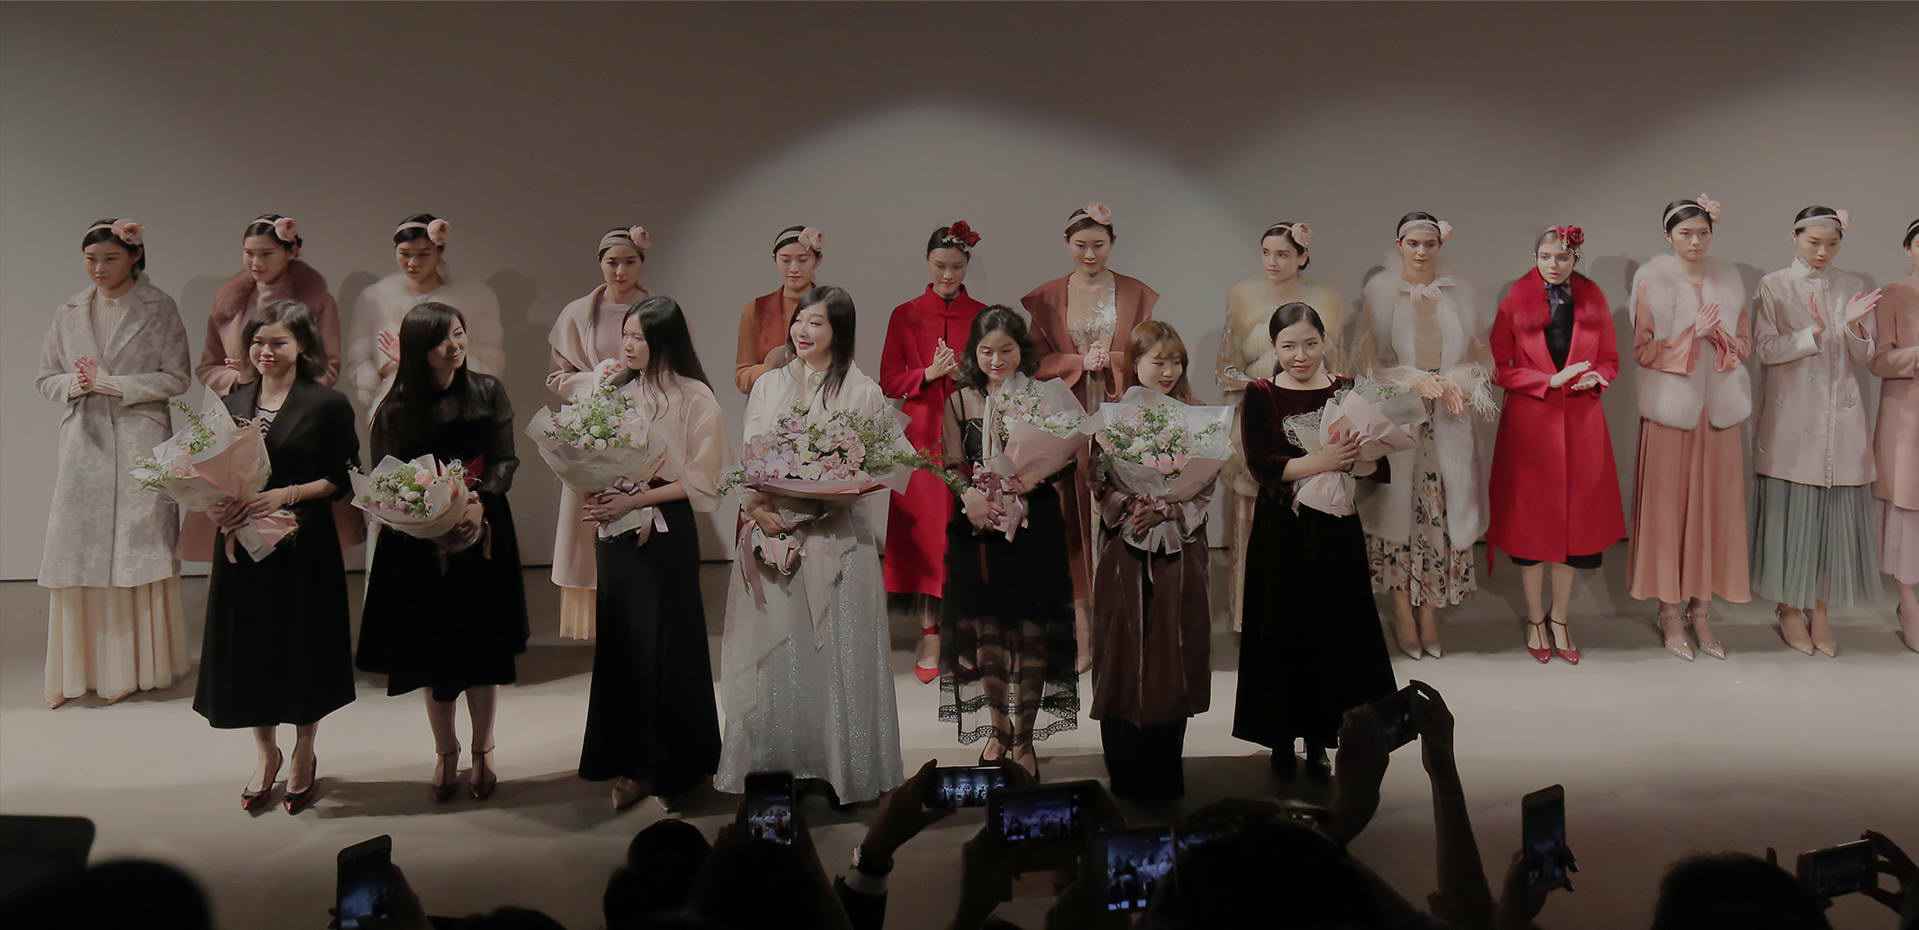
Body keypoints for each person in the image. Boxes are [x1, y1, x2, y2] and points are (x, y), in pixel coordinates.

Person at [716, 285, 905, 806]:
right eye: (800, 320)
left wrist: (841, 483)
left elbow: (891, 461)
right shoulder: (768, 385)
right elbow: (752, 454)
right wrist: (758, 510)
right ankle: (783, 766)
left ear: (839, 331)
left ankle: (845, 769)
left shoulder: (863, 391)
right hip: (778, 532)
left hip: (840, 538)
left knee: (840, 651)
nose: (803, 331)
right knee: (782, 654)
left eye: (816, 323)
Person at [191, 300, 359, 814]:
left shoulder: (327, 404)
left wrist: (286, 494)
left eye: (278, 342)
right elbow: (209, 468)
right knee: (249, 649)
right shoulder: (232, 399)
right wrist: (216, 504)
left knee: (303, 647)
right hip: (242, 542)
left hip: (302, 543)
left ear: (302, 345)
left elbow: (342, 478)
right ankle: (267, 753)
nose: (265, 351)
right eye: (258, 342)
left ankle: (305, 750)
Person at [359, 302, 529, 803]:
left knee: (481, 651)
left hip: (480, 527)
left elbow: (505, 459)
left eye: (458, 333)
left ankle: (483, 750)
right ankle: (446, 752)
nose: (453, 346)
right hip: (416, 538)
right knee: (432, 654)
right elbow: (385, 477)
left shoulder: (487, 390)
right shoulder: (394, 406)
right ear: (417, 349)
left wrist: (476, 502)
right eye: (440, 340)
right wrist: (426, 520)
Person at [1234, 303, 1397, 780]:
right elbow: (1262, 465)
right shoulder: (1261, 393)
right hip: (1282, 531)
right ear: (1274, 347)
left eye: (1309, 343)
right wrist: (1324, 459)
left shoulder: (1347, 389)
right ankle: (1282, 738)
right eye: (1288, 346)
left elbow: (1377, 463)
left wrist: (1359, 458)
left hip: (1335, 530)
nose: (1300, 355)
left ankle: (1322, 736)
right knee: (1283, 631)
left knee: (1334, 634)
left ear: (1324, 341)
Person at [36, 218, 192, 708]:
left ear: (134, 257)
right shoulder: (69, 311)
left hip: (140, 437)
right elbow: (46, 376)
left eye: (109, 259)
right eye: (91, 260)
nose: (99, 269)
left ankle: (143, 668)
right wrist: (74, 384)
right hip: (84, 443)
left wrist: (119, 385)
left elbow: (178, 376)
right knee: (78, 550)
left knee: (139, 546)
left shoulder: (159, 306)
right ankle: (85, 670)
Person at [577, 297, 725, 811]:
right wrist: (603, 495)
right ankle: (629, 764)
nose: (628, 344)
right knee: (623, 643)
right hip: (617, 529)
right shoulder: (616, 391)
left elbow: (704, 479)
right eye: (626, 334)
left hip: (667, 528)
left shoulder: (695, 396)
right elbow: (590, 451)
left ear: (665, 341)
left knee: (668, 642)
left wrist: (637, 500)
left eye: (639, 336)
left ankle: (676, 766)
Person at [938, 306, 1082, 779]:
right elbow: (951, 465)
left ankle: (1025, 737)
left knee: (1033, 630)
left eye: (1006, 350)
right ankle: (998, 729)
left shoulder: (1044, 396)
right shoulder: (960, 400)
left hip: (1034, 523)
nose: (996, 361)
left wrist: (1029, 479)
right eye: (986, 351)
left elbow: (1066, 457)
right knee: (987, 632)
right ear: (973, 353)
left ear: (1022, 350)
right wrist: (971, 496)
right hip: (977, 526)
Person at [1022, 202, 1159, 672]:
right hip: (1070, 413)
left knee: (1124, 509)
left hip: (1121, 410)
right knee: (1073, 520)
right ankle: (1083, 634)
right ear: (1066, 244)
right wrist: (1078, 362)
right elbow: (1033, 363)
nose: (1089, 254)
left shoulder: (1134, 293)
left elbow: (1152, 352)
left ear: (1112, 243)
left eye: (1098, 245)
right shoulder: (1048, 297)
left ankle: (1126, 631)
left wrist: (1115, 359)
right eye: (1080, 245)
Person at [1351, 211, 1493, 660]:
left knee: (1439, 513)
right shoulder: (1381, 294)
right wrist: (1413, 380)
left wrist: (1456, 382)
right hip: (1400, 419)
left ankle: (1429, 611)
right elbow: (1366, 366)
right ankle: (1401, 612)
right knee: (1400, 515)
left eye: (1429, 244)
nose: (1421, 251)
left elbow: (1481, 359)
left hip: (1446, 418)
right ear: (1399, 245)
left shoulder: (1459, 294)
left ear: (1439, 246)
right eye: (1412, 243)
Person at [1486, 225, 1625, 664]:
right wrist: (1548, 380)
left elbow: (1610, 359)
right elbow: (1499, 367)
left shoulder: (1593, 297)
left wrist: (1596, 376)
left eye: (1562, 257)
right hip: (1531, 424)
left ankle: (1560, 618)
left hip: (1582, 422)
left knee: (1575, 527)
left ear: (1575, 259)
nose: (1553, 264)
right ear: (1535, 257)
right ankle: (1534, 618)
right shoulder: (1515, 299)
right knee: (1531, 525)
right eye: (1545, 256)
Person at [1751, 205, 1883, 656]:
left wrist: (1854, 326)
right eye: (1814, 243)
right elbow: (1765, 349)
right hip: (1793, 415)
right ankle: (1789, 607)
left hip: (1841, 415)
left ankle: (1821, 609)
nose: (1823, 252)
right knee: (1793, 514)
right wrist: (1814, 332)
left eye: (1832, 244)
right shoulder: (1774, 285)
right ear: (1795, 237)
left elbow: (1866, 357)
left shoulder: (1853, 285)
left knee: (1831, 520)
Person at [1091, 321, 1214, 800]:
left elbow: (1203, 487)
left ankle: (1166, 766)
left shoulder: (1198, 417)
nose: (1168, 371)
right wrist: (1131, 505)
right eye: (1157, 361)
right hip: (1125, 550)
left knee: (1173, 653)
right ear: (1134, 363)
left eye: (1175, 361)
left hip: (1179, 551)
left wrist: (1169, 507)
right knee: (1121, 654)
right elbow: (1099, 481)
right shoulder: (1112, 417)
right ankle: (1123, 766)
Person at [1627, 195, 1753, 660]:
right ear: (1668, 236)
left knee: (1716, 511)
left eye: (1703, 233)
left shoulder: (1729, 279)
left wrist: (1725, 340)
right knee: (1669, 512)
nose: (1696, 241)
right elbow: (1643, 350)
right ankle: (1670, 612)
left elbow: (1745, 345)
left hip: (1718, 413)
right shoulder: (1651, 279)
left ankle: (1702, 612)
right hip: (1671, 414)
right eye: (1685, 233)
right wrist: (1690, 334)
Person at [1217, 220, 1356, 633]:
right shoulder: (1242, 296)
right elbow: (1225, 366)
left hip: (1314, 417)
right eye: (1266, 253)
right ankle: (1249, 616)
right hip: (1260, 413)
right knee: (1255, 516)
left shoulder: (1327, 301)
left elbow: (1339, 363)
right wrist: (1265, 387)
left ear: (1303, 256)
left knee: (1315, 515)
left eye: (1282, 254)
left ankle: (1314, 617)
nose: (1272, 262)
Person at [187, 212, 349, 561]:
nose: (255, 262)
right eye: (249, 253)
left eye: (266, 253)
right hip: (240, 411)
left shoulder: (316, 300)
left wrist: (293, 398)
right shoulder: (228, 303)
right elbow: (208, 366)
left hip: (298, 424)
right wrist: (242, 379)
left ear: (291, 252)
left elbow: (328, 365)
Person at [879, 221, 987, 684]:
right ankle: (930, 634)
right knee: (927, 539)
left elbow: (998, 371)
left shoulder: (981, 315)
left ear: (967, 266)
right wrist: (927, 373)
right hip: (921, 439)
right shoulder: (905, 314)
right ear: (927, 262)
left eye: (956, 266)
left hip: (970, 434)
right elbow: (889, 380)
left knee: (969, 534)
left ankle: (966, 632)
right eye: (940, 265)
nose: (947, 274)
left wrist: (965, 375)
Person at [546, 225, 654, 640]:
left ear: (641, 263)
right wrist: (596, 379)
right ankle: (595, 618)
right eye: (612, 262)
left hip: (643, 424)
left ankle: (637, 609)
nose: (620, 271)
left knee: (638, 510)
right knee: (587, 520)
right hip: (591, 427)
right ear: (600, 263)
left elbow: (671, 366)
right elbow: (557, 376)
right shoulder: (578, 313)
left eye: (629, 262)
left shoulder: (654, 308)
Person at [344, 213, 506, 417]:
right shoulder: (374, 298)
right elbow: (360, 361)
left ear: (439, 251)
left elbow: (488, 363)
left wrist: (418, 360)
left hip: (456, 411)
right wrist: (380, 376)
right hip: (395, 409)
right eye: (404, 253)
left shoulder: (474, 299)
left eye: (423, 254)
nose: (412, 263)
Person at [1872, 218, 1919, 653]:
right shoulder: (1893, 294)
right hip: (1908, 417)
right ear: (1908, 247)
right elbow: (1879, 361)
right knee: (1908, 509)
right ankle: (1908, 602)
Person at [735, 224, 823, 393]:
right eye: (785, 260)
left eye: (802, 260)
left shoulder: (831, 307)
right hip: (769, 403)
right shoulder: (756, 310)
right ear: (775, 259)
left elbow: (843, 366)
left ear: (817, 260)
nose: (794, 268)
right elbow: (742, 377)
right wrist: (768, 368)